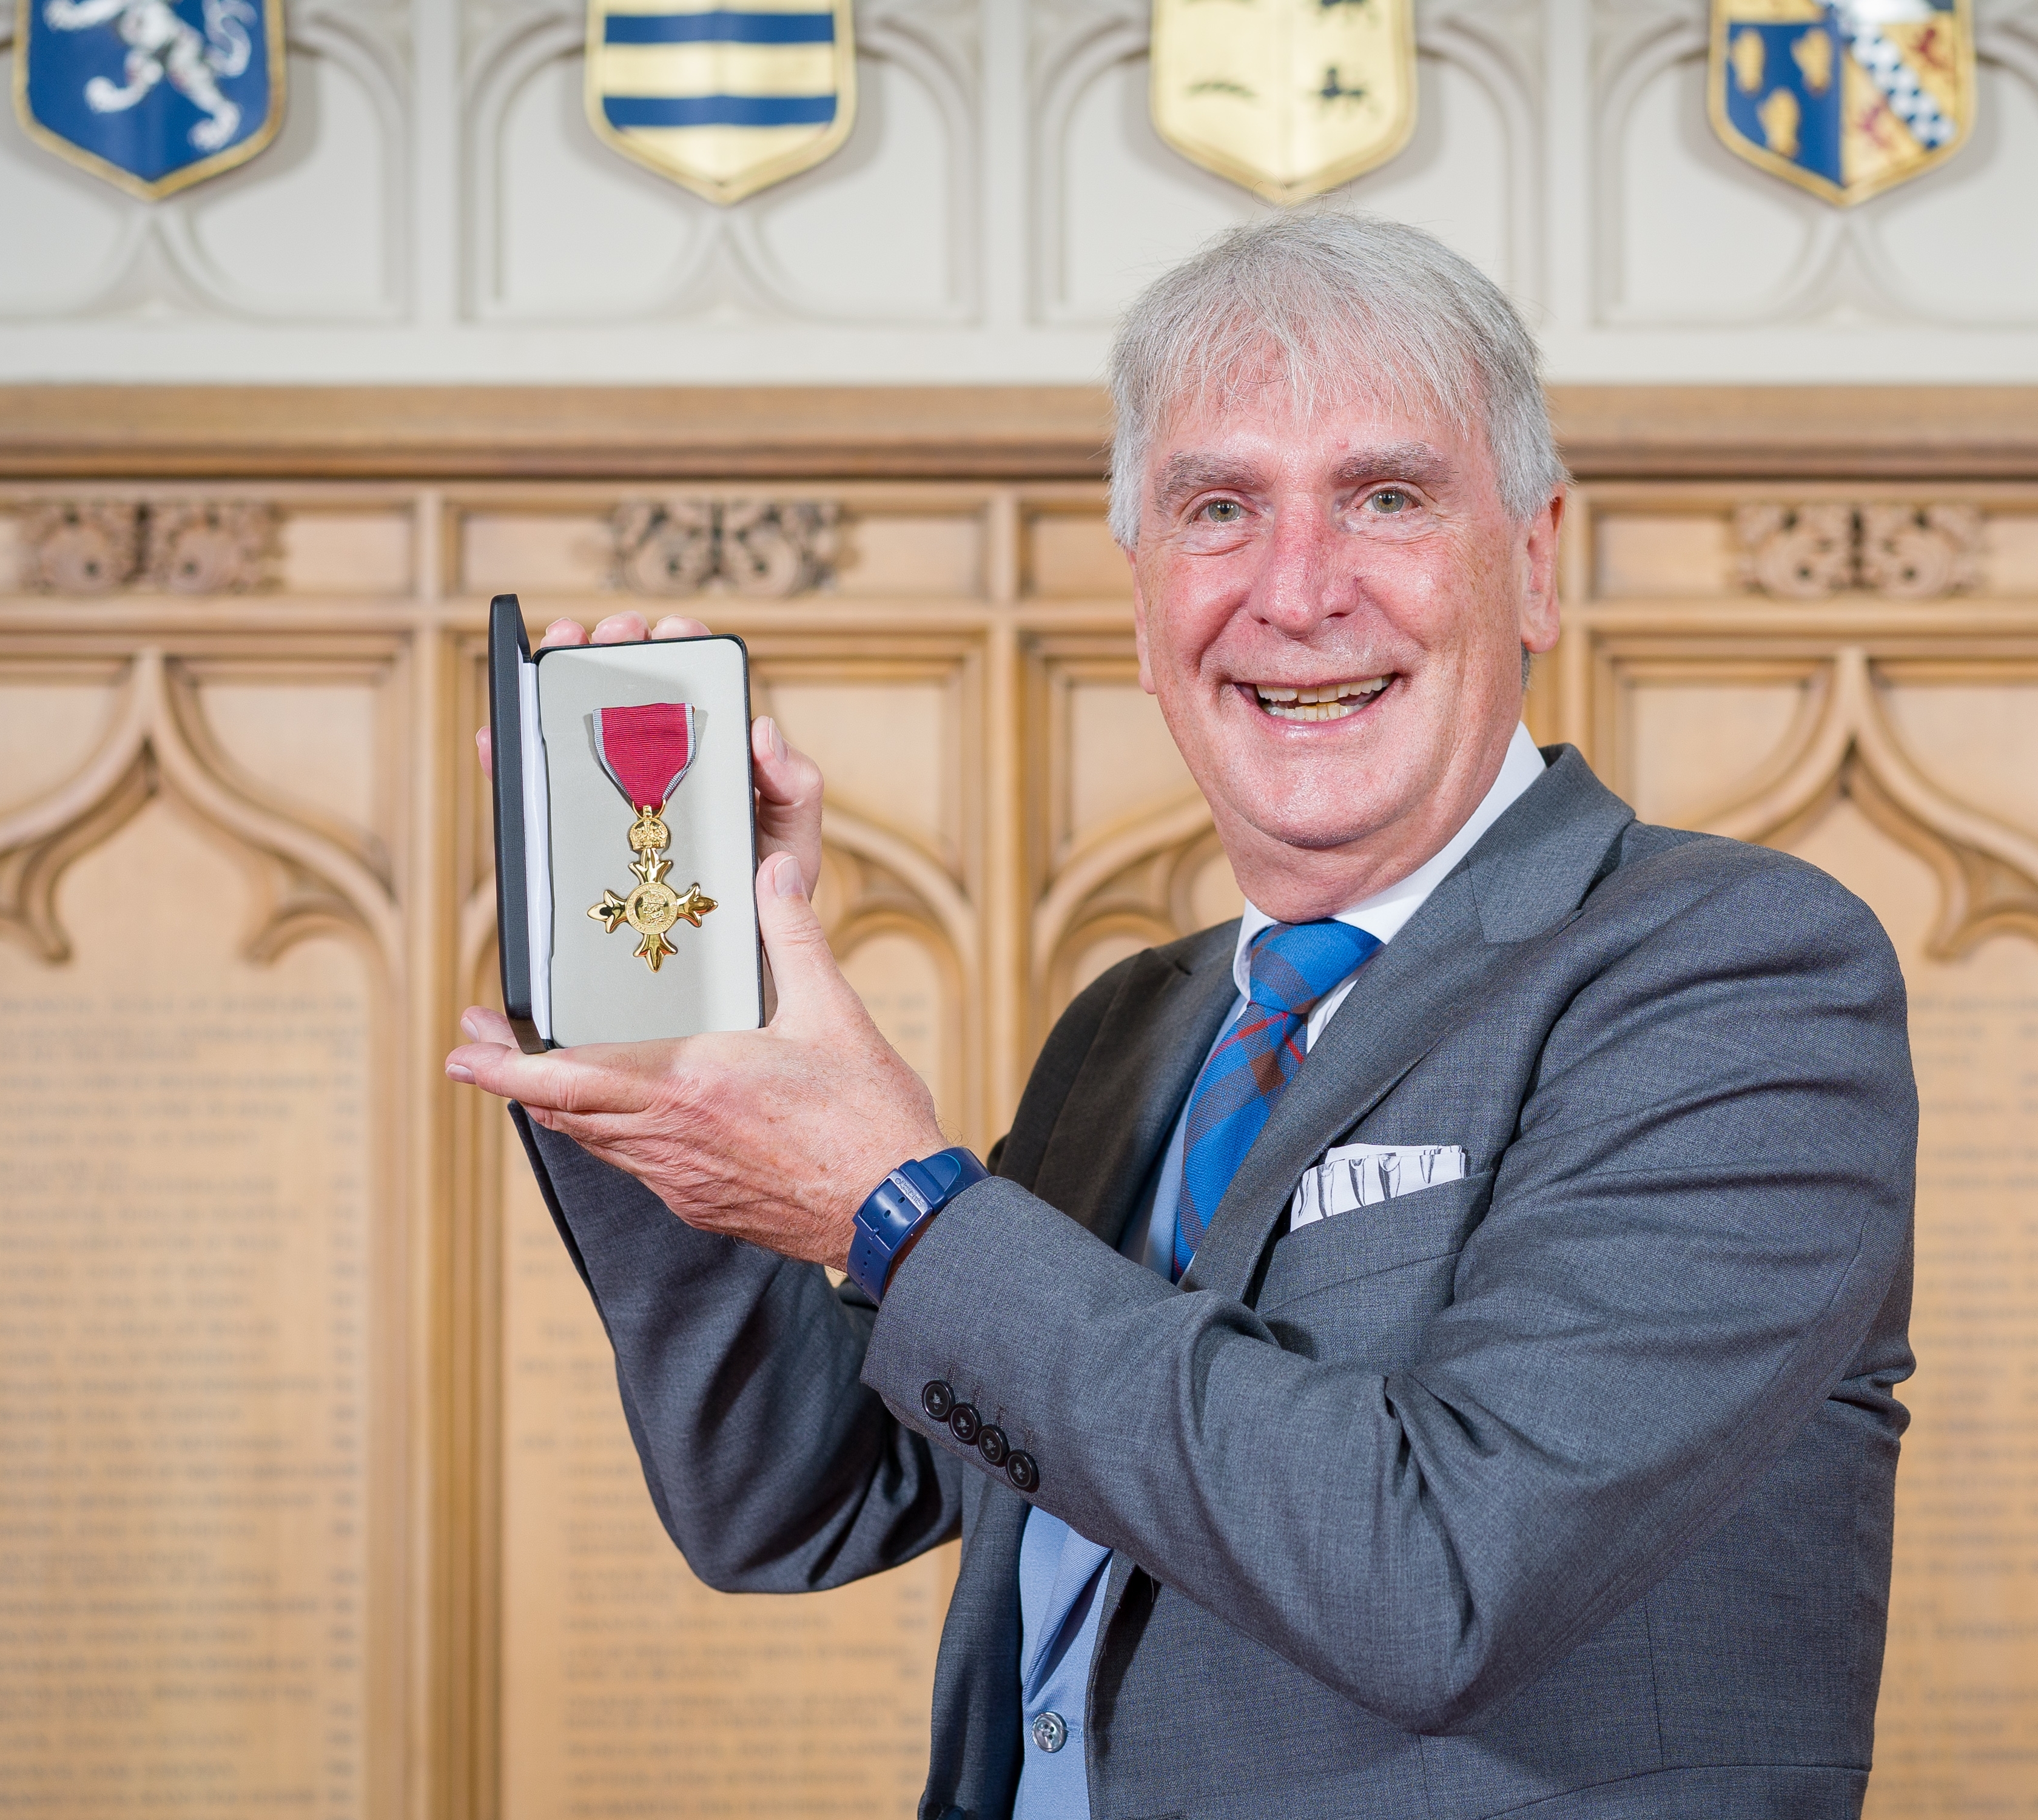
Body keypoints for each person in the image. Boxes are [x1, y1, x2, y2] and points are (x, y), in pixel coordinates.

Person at [446, 212, 1917, 1820]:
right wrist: (672, 1027)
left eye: (1385, 497)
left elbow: (1440, 1577)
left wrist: (899, 1206)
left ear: (1535, 563)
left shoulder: (1731, 972)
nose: (1297, 593)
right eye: (1218, 508)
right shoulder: (1134, 1032)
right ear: (1143, 597)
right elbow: (796, 1496)